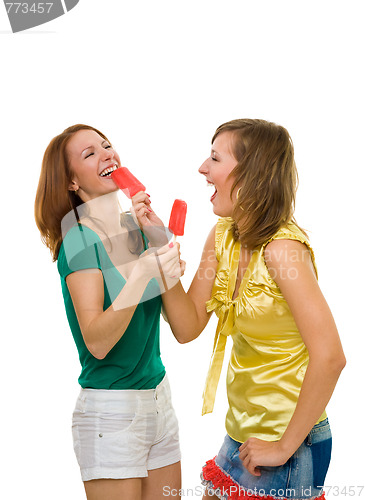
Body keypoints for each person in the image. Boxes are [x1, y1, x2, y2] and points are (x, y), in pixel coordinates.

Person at [133, 119, 346, 500]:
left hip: (289, 442)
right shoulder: (222, 237)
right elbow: (187, 326)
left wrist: (282, 446)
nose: (203, 168)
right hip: (240, 434)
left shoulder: (283, 251)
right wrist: (161, 251)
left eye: (214, 158)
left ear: (251, 175)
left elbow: (330, 357)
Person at [34, 124, 183, 500]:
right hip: (111, 414)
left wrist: (161, 243)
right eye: (90, 154)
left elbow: (185, 327)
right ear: (71, 182)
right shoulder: (79, 240)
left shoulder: (135, 229)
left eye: (107, 145)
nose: (107, 154)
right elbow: (97, 342)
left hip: (159, 401)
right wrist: (142, 275)